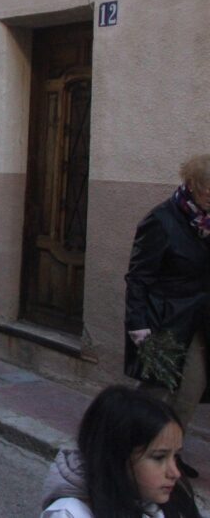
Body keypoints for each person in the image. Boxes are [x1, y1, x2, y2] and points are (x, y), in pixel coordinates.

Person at [125, 154, 210, 430]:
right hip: (165, 321)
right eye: (205, 190)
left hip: (199, 321)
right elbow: (138, 277)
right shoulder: (161, 220)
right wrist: (138, 325)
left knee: (190, 392)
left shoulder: (207, 222)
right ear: (191, 184)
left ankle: (170, 453)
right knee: (156, 393)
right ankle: (131, 449)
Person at [40, 385, 200, 517]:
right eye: (159, 457)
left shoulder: (156, 502)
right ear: (116, 455)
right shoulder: (71, 513)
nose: (175, 473)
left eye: (176, 456)